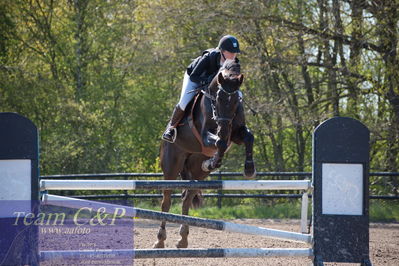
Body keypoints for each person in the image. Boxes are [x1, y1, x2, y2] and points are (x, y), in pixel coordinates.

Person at [162, 35, 241, 143]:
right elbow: (194, 76)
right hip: (194, 77)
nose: (233, 55)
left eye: (235, 52)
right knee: (184, 101)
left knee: (239, 96)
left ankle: (236, 127)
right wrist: (206, 81)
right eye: (231, 52)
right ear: (222, 51)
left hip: (214, 85)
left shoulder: (234, 63)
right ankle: (171, 128)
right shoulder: (209, 57)